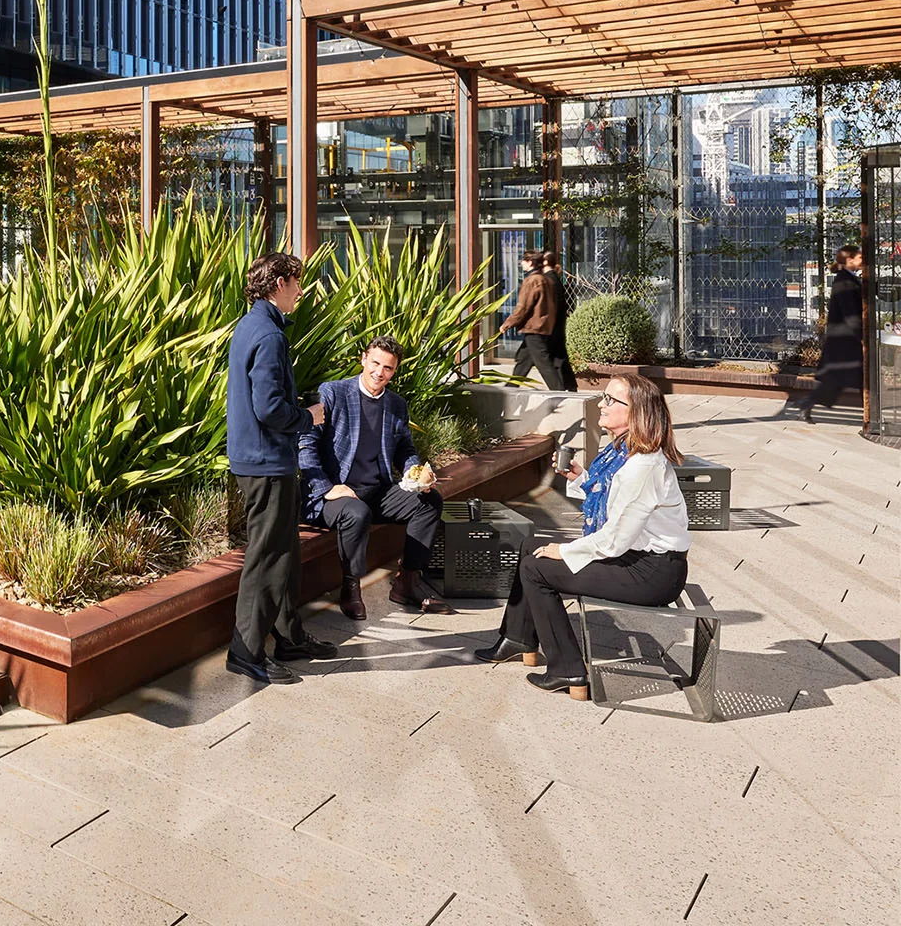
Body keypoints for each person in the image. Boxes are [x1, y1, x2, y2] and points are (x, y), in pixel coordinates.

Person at [475, 373, 691, 699]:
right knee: (531, 545)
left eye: (611, 400)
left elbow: (615, 539)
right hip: (637, 557)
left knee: (538, 569)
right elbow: (613, 501)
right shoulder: (622, 453)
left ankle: (568, 670)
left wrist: (566, 550)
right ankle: (518, 638)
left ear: (635, 413)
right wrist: (581, 477)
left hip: (652, 572)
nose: (602, 405)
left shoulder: (641, 468)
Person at [225, 253, 337, 684]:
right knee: (268, 556)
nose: (301, 290)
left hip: (263, 458)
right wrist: (308, 416)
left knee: (285, 551)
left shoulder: (253, 325)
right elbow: (269, 407)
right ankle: (245, 652)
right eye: (296, 282)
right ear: (278, 284)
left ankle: (289, 636)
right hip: (266, 460)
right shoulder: (268, 335)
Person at [300, 336, 453, 618]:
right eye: (375, 363)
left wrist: (414, 472)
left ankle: (407, 581)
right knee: (356, 513)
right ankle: (350, 586)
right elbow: (306, 443)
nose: (379, 373)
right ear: (363, 359)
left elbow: (405, 448)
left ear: (394, 372)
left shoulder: (396, 404)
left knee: (429, 502)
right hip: (337, 494)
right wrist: (325, 488)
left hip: (377, 491)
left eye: (388, 368)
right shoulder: (333, 393)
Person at [797, 245, 864, 423]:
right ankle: (871, 414)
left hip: (844, 339)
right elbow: (850, 312)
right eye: (859, 257)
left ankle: (808, 402)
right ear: (849, 260)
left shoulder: (847, 278)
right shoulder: (844, 281)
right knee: (843, 378)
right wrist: (862, 336)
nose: (862, 260)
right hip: (845, 339)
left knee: (841, 378)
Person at [504, 251, 564, 390]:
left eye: (524, 260)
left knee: (543, 363)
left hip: (534, 327)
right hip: (542, 326)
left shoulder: (532, 281)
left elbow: (523, 306)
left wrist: (508, 323)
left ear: (530, 262)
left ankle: (559, 391)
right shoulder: (546, 279)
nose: (521, 263)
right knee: (523, 360)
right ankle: (510, 387)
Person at [542, 251, 579, 391]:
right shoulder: (554, 278)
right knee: (559, 357)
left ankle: (561, 387)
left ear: (545, 263)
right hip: (557, 324)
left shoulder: (549, 279)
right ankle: (569, 385)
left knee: (555, 358)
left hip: (553, 326)